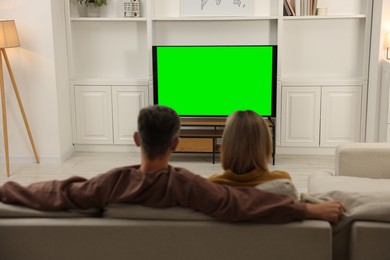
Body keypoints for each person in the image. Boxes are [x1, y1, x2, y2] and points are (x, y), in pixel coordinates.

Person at [0, 105, 343, 223]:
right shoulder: (190, 186)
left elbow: (59, 192)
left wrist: (8, 189)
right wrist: (307, 211)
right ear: (176, 144)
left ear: (137, 139)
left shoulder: (108, 184)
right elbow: (241, 203)